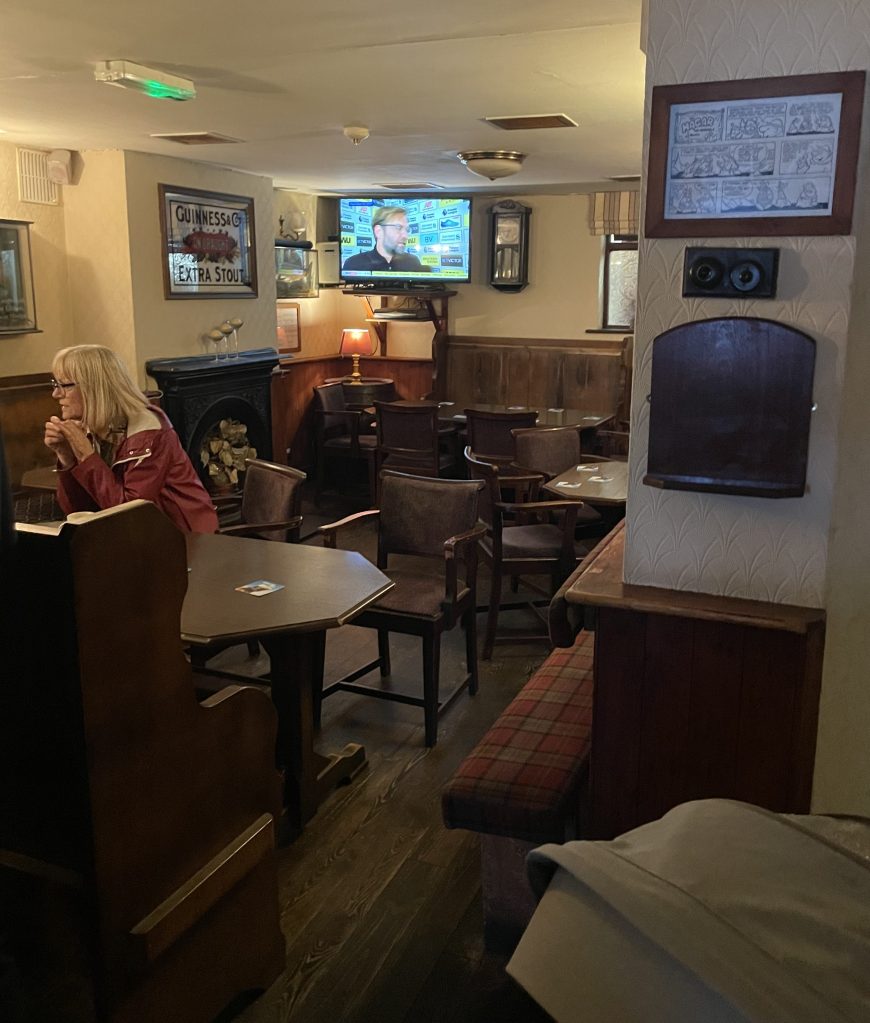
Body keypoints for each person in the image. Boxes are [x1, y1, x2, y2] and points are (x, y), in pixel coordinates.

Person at [43, 345, 218, 533]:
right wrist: (66, 457)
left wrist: (86, 455)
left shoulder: (149, 433)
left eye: (64, 385)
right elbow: (77, 509)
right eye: (55, 384)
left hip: (184, 537)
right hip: (138, 535)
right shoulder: (95, 425)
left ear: (94, 387)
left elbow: (128, 512)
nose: (56, 394)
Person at [342, 206, 430, 273]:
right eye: (398, 227)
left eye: (407, 230)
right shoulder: (353, 264)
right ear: (378, 231)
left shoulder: (413, 262)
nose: (405, 236)